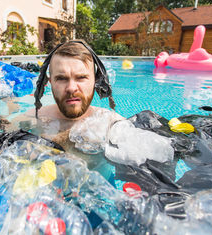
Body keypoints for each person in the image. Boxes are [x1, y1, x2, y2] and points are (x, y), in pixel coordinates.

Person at [7, 40, 124, 180]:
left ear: (96, 81)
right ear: (51, 83)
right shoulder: (31, 119)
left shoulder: (113, 124)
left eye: (81, 78)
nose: (71, 88)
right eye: (61, 78)